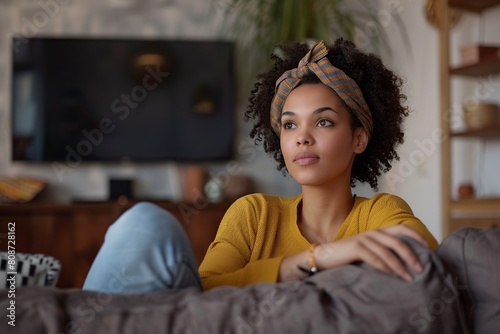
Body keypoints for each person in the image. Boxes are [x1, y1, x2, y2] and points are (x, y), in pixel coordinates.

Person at [83, 38, 438, 294]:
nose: (302, 137)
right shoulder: (254, 213)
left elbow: (426, 261)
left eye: (324, 122)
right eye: (289, 124)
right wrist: (320, 258)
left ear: (359, 139)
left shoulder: (380, 212)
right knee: (144, 221)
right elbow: (205, 287)